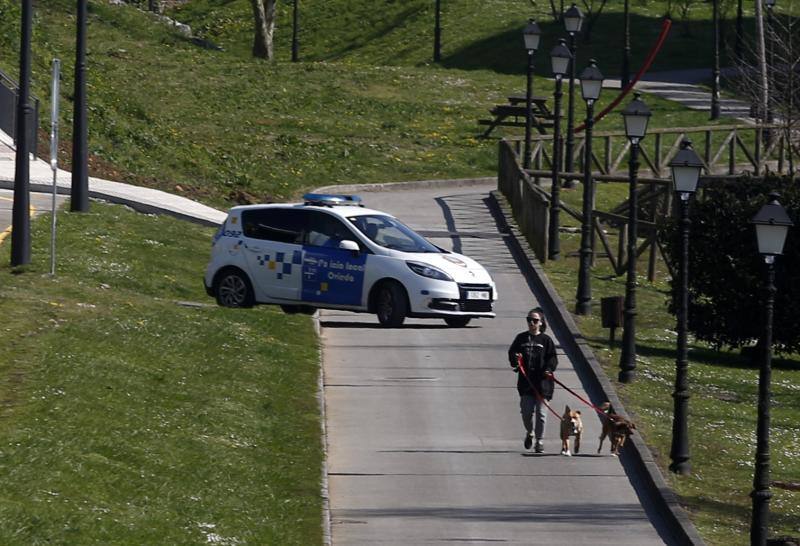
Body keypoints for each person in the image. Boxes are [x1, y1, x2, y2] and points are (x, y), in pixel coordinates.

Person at [507, 307, 558, 453]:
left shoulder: (546, 340)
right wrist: (515, 361)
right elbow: (512, 352)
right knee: (526, 413)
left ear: (541, 323)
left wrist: (549, 369)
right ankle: (530, 433)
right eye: (529, 320)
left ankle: (540, 442)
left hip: (543, 384)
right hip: (526, 383)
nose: (531, 323)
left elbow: (552, 358)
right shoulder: (521, 338)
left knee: (541, 414)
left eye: (535, 320)